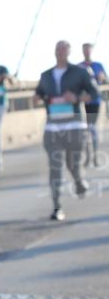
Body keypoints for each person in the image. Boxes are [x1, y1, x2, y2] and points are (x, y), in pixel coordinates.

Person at [34, 40, 100, 221]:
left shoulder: (80, 72)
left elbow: (94, 94)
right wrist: (37, 97)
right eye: (58, 49)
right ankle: (57, 207)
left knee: (73, 166)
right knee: (55, 168)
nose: (60, 52)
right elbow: (39, 93)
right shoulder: (46, 75)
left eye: (64, 49)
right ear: (54, 52)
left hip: (74, 127)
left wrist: (76, 97)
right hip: (52, 127)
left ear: (69, 52)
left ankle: (79, 182)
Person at [80, 42, 107, 167]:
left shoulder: (98, 65)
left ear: (91, 51)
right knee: (84, 130)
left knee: (91, 128)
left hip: (94, 101)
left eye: (88, 50)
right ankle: (88, 156)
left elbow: (105, 79)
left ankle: (95, 156)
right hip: (81, 102)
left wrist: (101, 77)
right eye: (84, 50)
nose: (86, 52)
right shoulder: (79, 67)